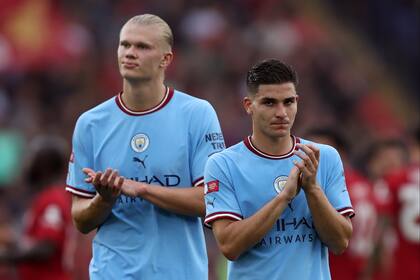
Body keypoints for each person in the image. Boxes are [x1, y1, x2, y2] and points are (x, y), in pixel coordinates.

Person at [66, 14, 225, 279]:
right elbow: (80, 219)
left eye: (142, 47)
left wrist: (141, 189)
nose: (129, 53)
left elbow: (211, 200)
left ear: (166, 59)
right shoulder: (90, 123)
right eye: (125, 45)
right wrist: (104, 200)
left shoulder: (197, 114)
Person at [204, 59, 354, 279]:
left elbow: (340, 242)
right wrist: (283, 198)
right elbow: (230, 246)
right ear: (249, 105)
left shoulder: (324, 157)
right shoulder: (223, 164)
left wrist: (313, 190)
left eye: (288, 102)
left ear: (297, 102)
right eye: (269, 103)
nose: (281, 112)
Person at [305, 127, 380, 280]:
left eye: (320, 153)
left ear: (339, 155)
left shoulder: (325, 190)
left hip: (335, 271)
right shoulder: (366, 185)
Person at [0, 136, 75, 280]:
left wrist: (7, 256)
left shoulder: (53, 199)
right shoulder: (45, 197)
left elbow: (46, 248)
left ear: (44, 165)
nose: (27, 165)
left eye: (31, 158)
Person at [365, 128, 419, 280]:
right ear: (371, 163)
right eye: (383, 158)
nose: (389, 163)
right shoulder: (360, 192)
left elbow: (380, 236)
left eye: (395, 158)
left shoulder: (394, 187)